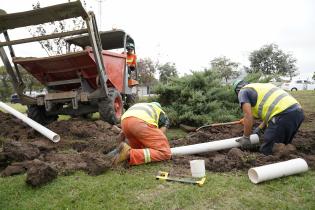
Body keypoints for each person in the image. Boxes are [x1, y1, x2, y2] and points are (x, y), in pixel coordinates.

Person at [233, 80, 304, 155]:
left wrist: (246, 137)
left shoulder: (243, 91)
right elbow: (270, 111)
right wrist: (260, 128)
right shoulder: (260, 86)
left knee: (268, 150)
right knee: (281, 146)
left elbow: (248, 115)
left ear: (237, 91)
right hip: (297, 112)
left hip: (283, 115)